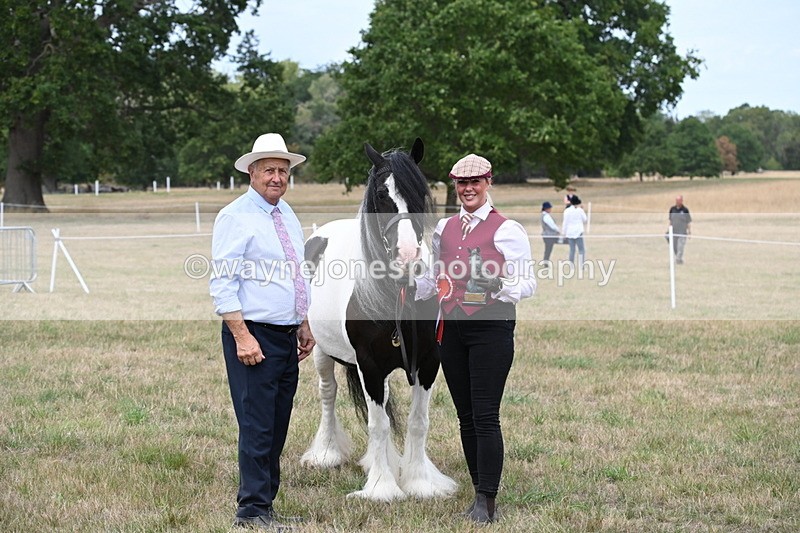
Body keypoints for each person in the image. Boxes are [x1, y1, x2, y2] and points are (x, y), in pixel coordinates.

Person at [416, 154, 536, 524]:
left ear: (488, 183)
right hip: (451, 329)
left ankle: (487, 499)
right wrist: (407, 279)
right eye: (461, 183)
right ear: (455, 185)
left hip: (490, 328)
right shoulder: (444, 229)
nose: (468, 189)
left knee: (485, 416)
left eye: (476, 182)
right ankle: (478, 488)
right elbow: (430, 283)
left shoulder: (507, 230)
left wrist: (500, 284)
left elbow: (528, 283)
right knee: (465, 417)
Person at [210, 133, 315, 530]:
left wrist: (303, 321)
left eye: (283, 171)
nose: (277, 177)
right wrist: (242, 335)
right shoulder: (235, 216)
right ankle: (251, 510)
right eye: (269, 170)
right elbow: (223, 283)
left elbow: (296, 273)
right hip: (254, 333)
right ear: (251, 173)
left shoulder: (285, 213)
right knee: (257, 425)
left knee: (277, 422)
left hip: (287, 334)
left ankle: (267, 503)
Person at [561, 195, 587, 265]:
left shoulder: (567, 211)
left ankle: (571, 264)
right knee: (581, 250)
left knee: (572, 250)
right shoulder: (580, 210)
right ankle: (581, 265)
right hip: (578, 232)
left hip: (570, 232)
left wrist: (564, 232)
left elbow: (565, 222)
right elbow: (585, 219)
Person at [669, 194, 692, 264]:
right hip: (674, 231)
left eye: (679, 200)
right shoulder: (672, 209)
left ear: (682, 201)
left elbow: (688, 221)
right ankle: (678, 258)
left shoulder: (685, 210)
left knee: (680, 246)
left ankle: (678, 260)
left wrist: (689, 231)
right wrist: (669, 229)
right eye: (676, 200)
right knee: (674, 246)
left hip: (682, 232)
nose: (677, 202)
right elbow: (670, 221)